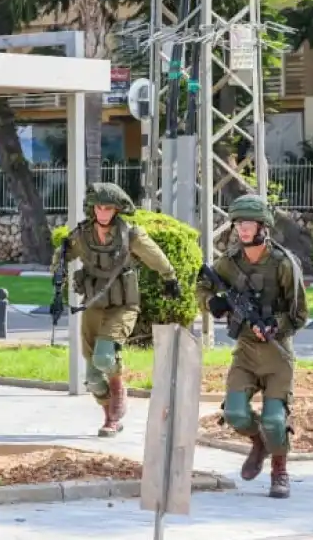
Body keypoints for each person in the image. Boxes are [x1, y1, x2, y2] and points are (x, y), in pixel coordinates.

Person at [195, 194, 308, 499]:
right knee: (234, 414)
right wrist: (212, 303)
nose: (243, 229)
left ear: (263, 227)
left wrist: (275, 325)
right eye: (239, 223)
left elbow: (300, 314)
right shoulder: (228, 262)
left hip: (277, 352)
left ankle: (279, 471)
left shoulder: (284, 264)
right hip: (245, 351)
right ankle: (259, 443)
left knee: (274, 419)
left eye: (249, 224)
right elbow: (203, 285)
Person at [51, 182, 180, 438]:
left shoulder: (130, 234)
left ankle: (118, 388)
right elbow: (62, 255)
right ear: (92, 208)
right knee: (93, 378)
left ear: (116, 210)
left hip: (123, 305)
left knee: (104, 358)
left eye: (108, 208)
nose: (102, 212)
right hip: (93, 304)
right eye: (98, 207)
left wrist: (170, 278)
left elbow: (155, 256)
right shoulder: (82, 235)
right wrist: (57, 284)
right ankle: (110, 417)